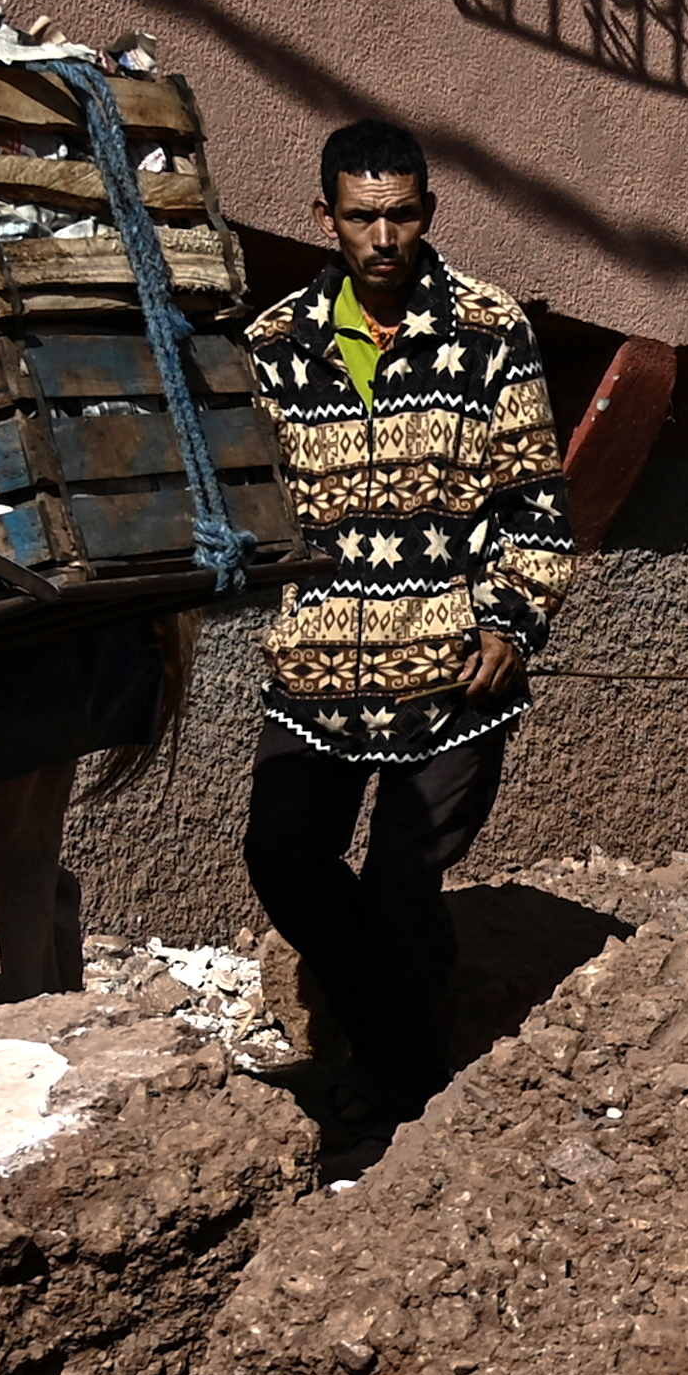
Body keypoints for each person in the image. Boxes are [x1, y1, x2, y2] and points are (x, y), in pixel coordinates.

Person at [238, 117, 571, 1124]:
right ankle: (401, 1026)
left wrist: (510, 620)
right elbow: (249, 505)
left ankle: (400, 1090)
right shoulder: (275, 344)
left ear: (428, 211)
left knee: (399, 880)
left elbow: (538, 502)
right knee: (283, 857)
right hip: (317, 678)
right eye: (360, 217)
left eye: (401, 214)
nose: (382, 236)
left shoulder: (490, 328)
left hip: (453, 675)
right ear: (324, 218)